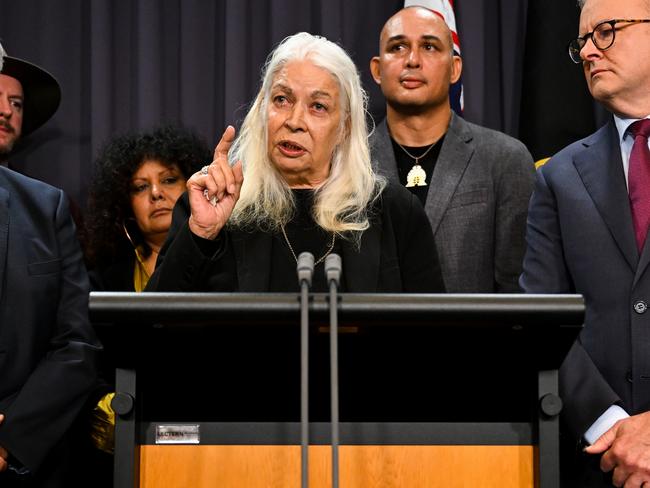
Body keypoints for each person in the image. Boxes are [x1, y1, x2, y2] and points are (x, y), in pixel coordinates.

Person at [147, 32, 445, 294]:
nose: (294, 121)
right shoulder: (214, 207)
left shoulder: (396, 213)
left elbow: (431, 336)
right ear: (262, 111)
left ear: (344, 127)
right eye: (281, 100)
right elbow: (145, 336)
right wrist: (201, 232)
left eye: (317, 106)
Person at [520, 0, 650, 486]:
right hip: (597, 462)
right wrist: (612, 428)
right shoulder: (558, 177)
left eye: (608, 31)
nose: (590, 51)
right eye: (583, 41)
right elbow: (541, 315)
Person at [369, 6, 535, 293]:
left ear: (455, 68)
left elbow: (519, 294)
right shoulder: (345, 160)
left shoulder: (505, 159)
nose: (412, 60)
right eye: (398, 47)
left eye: (429, 47)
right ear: (377, 69)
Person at [0, 44, 101, 486]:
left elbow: (77, 343)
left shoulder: (47, 208)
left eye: (16, 103)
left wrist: (11, 440)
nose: (5, 111)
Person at [84, 125, 211, 291]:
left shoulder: (221, 257)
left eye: (169, 180)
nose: (156, 193)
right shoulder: (104, 278)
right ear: (125, 203)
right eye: (141, 187)